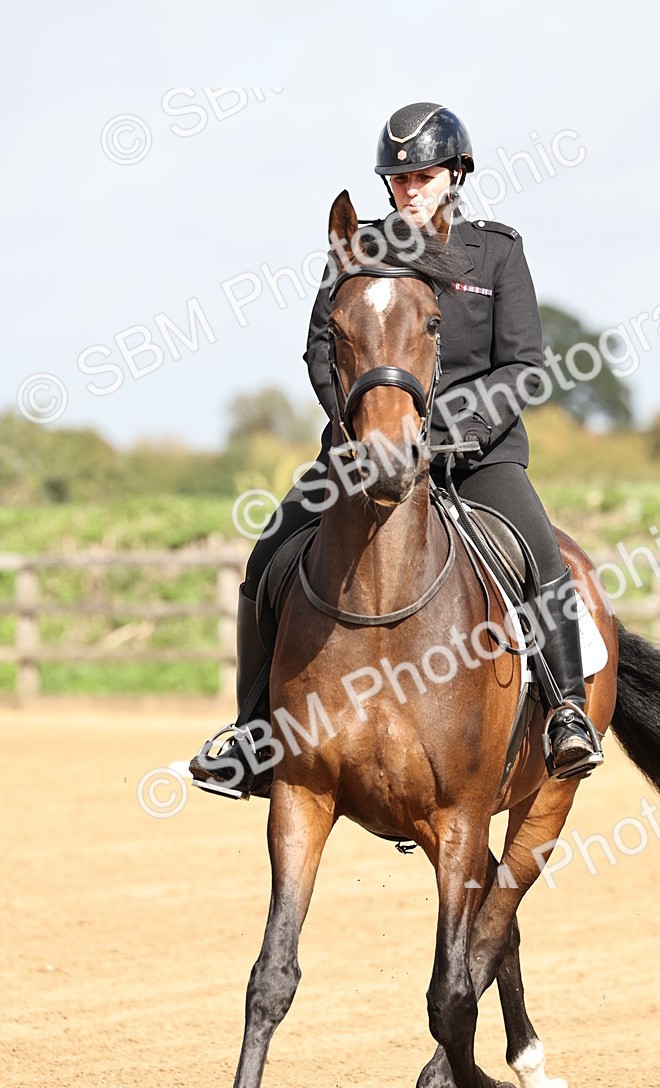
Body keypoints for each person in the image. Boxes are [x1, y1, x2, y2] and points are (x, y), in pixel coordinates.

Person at [190, 102, 603, 799]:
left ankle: (566, 713)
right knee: (267, 557)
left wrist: (439, 434)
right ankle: (253, 732)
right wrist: (361, 430)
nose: (410, 188)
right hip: (363, 449)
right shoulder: (359, 248)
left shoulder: (496, 252)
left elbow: (525, 367)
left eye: (424, 176)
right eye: (400, 178)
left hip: (477, 455)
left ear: (455, 175)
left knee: (538, 554)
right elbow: (321, 350)